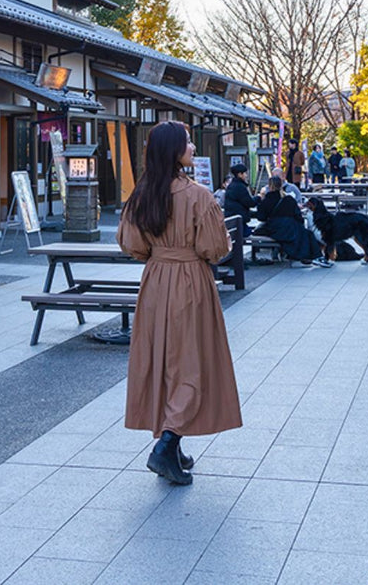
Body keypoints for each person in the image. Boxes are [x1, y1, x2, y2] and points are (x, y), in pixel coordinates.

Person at [119, 121, 243, 486]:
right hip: (190, 282)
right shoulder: (198, 195)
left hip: (156, 281)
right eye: (187, 142)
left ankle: (172, 445)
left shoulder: (141, 195)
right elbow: (214, 249)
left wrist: (162, 254)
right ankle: (167, 442)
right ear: (174, 151)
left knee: (162, 360)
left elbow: (132, 246)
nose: (192, 146)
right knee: (191, 363)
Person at [256, 175, 327, 267]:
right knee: (307, 234)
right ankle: (316, 257)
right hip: (291, 227)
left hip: (275, 229)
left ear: (269, 186)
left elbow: (261, 217)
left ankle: (296, 256)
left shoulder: (266, 200)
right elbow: (298, 217)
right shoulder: (289, 199)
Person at [222, 162, 260, 238]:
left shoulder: (233, 185)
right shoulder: (239, 187)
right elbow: (249, 202)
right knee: (250, 234)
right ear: (239, 174)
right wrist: (259, 197)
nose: (246, 175)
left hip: (234, 219)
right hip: (238, 221)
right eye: (245, 173)